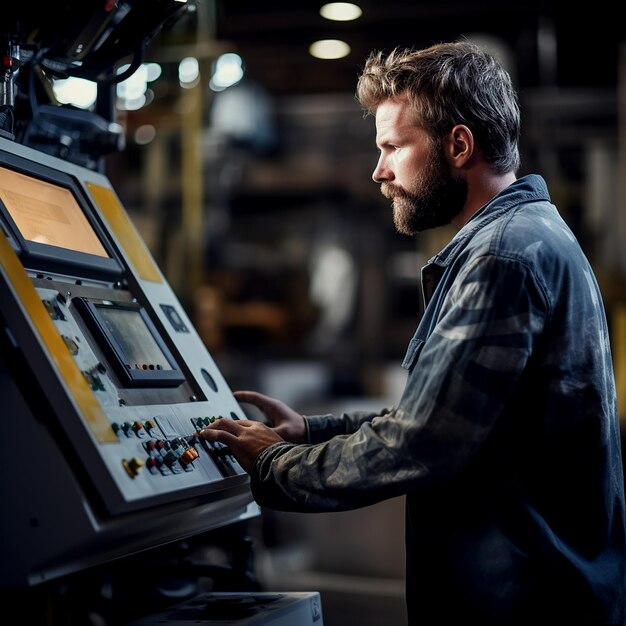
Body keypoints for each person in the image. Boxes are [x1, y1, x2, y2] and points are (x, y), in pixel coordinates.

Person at [199, 40, 626, 625]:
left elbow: (426, 441)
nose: (379, 170)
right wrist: (310, 431)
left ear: (457, 145)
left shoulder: (502, 256)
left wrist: (276, 466)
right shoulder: (531, 236)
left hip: (521, 603)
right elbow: (455, 415)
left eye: (393, 147)